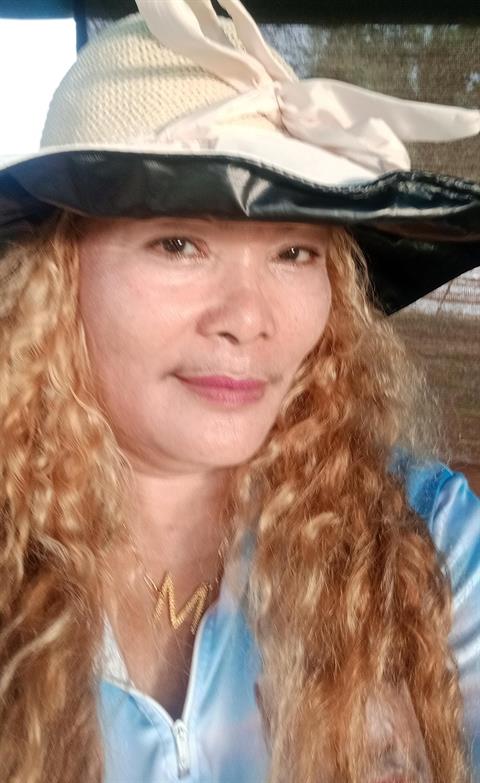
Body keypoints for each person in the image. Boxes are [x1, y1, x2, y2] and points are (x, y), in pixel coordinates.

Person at [0, 1, 479, 782]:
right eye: (179, 243)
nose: (249, 319)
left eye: (295, 252)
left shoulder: (432, 538)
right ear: (57, 274)